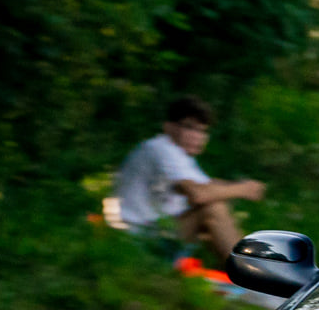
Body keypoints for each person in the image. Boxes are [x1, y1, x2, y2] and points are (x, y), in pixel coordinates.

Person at [112, 97, 266, 265]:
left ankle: (240, 273)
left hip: (153, 235)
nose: (197, 136)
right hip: (139, 240)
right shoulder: (162, 148)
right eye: (189, 128)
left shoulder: (180, 156)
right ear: (168, 127)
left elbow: (208, 187)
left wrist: (234, 187)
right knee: (213, 209)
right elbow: (199, 195)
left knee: (215, 204)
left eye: (202, 131)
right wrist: (243, 189)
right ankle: (253, 275)